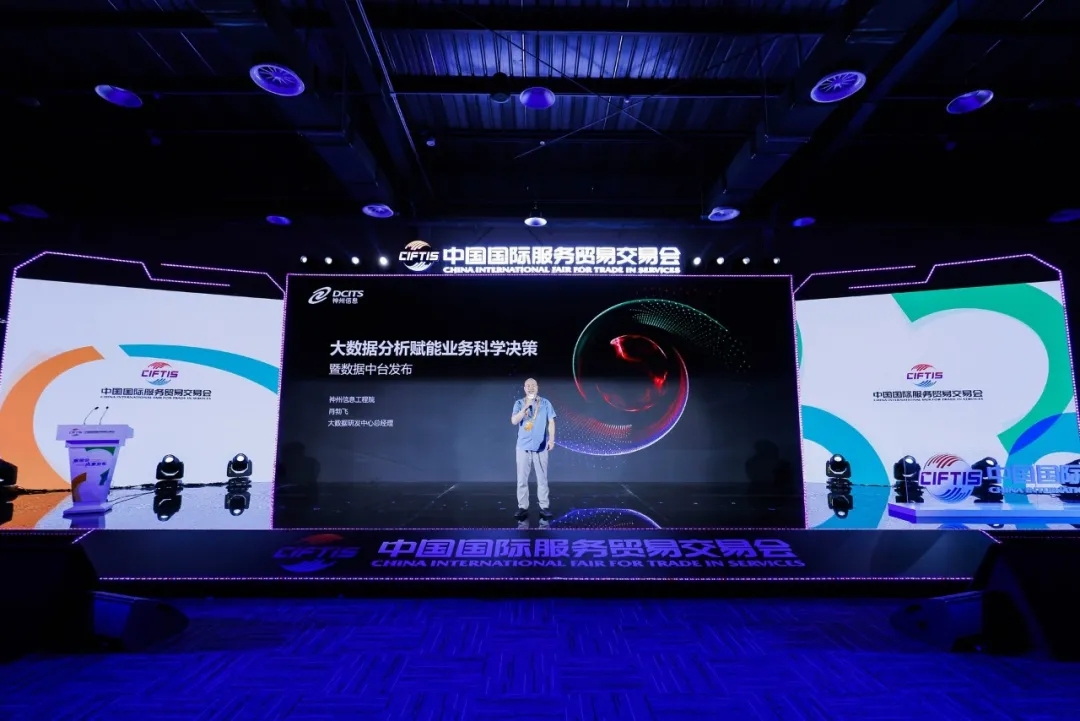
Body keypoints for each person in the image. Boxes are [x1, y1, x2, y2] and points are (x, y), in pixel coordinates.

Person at [510, 378, 556, 521]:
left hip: (540, 446)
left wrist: (551, 439)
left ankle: (544, 507)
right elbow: (514, 421)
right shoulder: (519, 403)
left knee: (542, 479)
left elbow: (551, 421)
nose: (531, 388)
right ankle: (522, 507)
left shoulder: (545, 403)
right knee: (522, 479)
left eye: (533, 385)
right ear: (524, 388)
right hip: (523, 447)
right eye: (528, 385)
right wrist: (525, 408)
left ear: (537, 387)